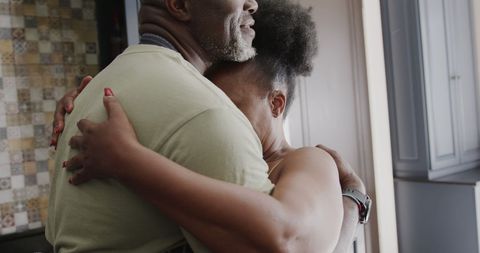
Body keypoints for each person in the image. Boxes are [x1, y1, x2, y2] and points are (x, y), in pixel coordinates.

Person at [51, 0, 368, 252]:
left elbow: (292, 242)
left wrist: (353, 200)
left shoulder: (308, 161)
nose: (224, 112)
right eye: (215, 96)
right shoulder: (203, 124)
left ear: (276, 104)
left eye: (232, 104)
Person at [46, 0, 276, 252]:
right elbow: (275, 243)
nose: (253, 3)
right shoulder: (205, 112)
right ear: (178, 4)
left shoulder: (95, 89)